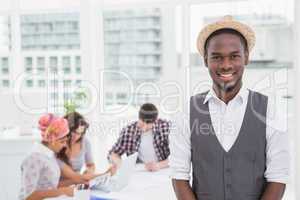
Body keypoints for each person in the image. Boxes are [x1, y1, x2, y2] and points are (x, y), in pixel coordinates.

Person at [170, 16, 290, 200]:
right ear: (205, 60)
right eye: (217, 57)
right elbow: (179, 175)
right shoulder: (187, 112)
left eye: (234, 56)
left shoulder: (269, 110)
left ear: (246, 57)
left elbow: (278, 176)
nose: (226, 65)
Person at [19, 113, 74, 200]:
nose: (65, 146)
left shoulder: (49, 154)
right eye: (62, 141)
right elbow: (28, 196)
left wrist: (73, 185)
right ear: (52, 140)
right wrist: (63, 191)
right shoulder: (34, 158)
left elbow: (49, 185)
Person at [108, 103, 171, 172]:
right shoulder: (129, 131)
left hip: (163, 170)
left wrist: (159, 165)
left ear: (155, 121)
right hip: (140, 171)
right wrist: (120, 164)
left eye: (148, 124)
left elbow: (177, 156)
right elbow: (112, 154)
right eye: (142, 123)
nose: (144, 128)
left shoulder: (165, 127)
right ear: (139, 118)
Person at [57, 112, 113, 187]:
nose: (76, 136)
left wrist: (89, 171)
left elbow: (90, 165)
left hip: (76, 184)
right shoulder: (57, 145)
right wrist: (104, 174)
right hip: (62, 186)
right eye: (74, 132)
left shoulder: (85, 142)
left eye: (80, 133)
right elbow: (73, 177)